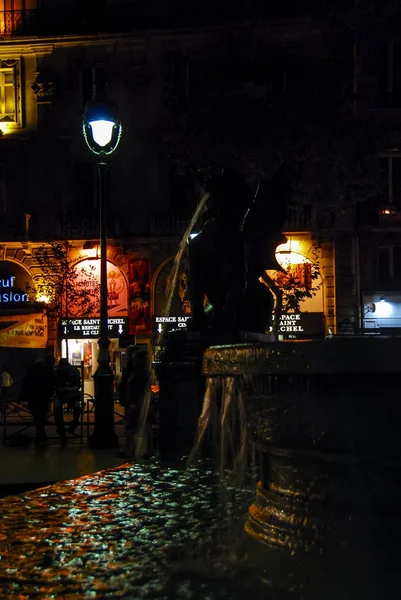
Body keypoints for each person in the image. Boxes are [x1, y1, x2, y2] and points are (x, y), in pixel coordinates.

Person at [117, 345, 151, 458]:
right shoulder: (138, 371)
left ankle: (133, 449)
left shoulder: (138, 373)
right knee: (136, 425)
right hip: (134, 401)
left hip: (135, 402)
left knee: (132, 426)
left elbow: (136, 387)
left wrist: (134, 402)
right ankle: (138, 449)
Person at [21, 357, 55, 447]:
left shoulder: (30, 370)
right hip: (44, 395)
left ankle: (40, 434)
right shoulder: (47, 370)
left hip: (33, 395)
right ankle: (41, 434)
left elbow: (26, 382)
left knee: (36, 415)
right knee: (42, 414)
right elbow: (52, 381)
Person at [54, 358, 81, 446]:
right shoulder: (60, 371)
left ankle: (68, 427)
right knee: (58, 409)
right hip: (66, 394)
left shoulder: (59, 371)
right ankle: (63, 430)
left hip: (69, 394)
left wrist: (67, 389)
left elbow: (77, 385)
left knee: (75, 407)